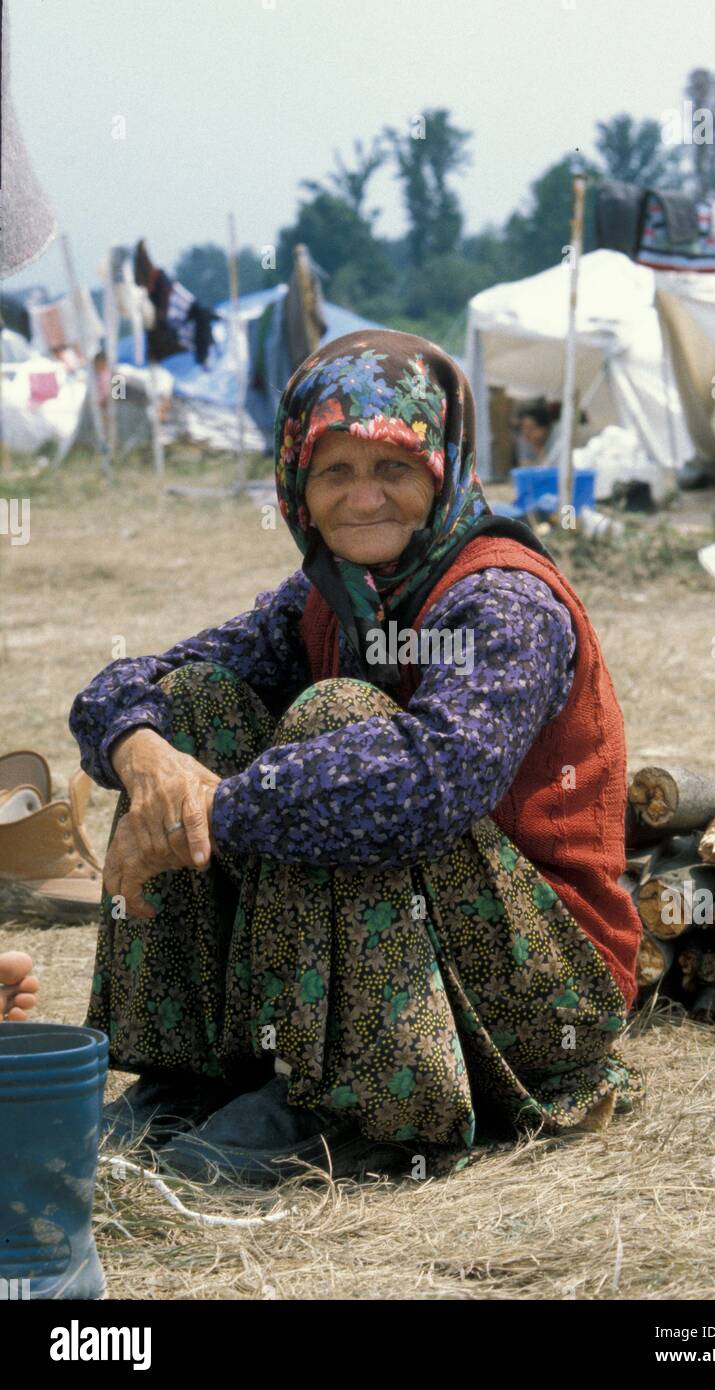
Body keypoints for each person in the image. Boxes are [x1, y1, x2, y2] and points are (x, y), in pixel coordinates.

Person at [69, 329, 645, 1186]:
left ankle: (363, 1109)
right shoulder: (329, 596)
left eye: (394, 470)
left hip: (543, 983)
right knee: (188, 708)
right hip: (437, 952)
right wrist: (145, 754)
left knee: (340, 724)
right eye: (335, 471)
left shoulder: (502, 599)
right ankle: (190, 1077)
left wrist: (209, 808)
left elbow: (427, 783)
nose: (363, 497)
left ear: (442, 471)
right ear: (297, 485)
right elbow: (132, 683)